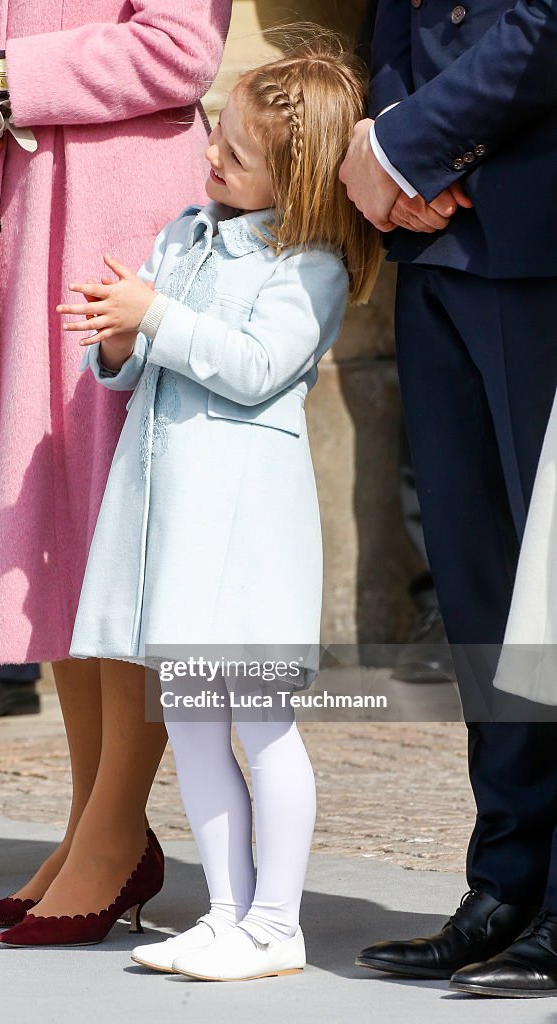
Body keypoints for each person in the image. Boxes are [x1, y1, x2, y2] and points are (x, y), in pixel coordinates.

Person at [0, 36, 382, 975]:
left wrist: (153, 319)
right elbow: (129, 376)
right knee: (196, 722)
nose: (210, 157)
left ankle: (276, 925)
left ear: (297, 184)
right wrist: (116, 341)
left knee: (260, 724)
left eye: (235, 155)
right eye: (215, 135)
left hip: (242, 536)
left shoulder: (309, 267)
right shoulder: (182, 231)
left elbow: (254, 368)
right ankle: (225, 909)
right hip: (172, 527)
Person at [0, 2, 230, 898]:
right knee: (51, 546)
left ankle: (114, 835)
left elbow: (180, 48)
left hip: (105, 215)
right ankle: (89, 826)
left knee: (111, 531)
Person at [339, 0, 557, 1000]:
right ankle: (505, 883)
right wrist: (391, 154)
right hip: (438, 245)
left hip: (537, 225)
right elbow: (395, 20)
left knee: (549, 590)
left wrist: (407, 147)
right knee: (483, 593)